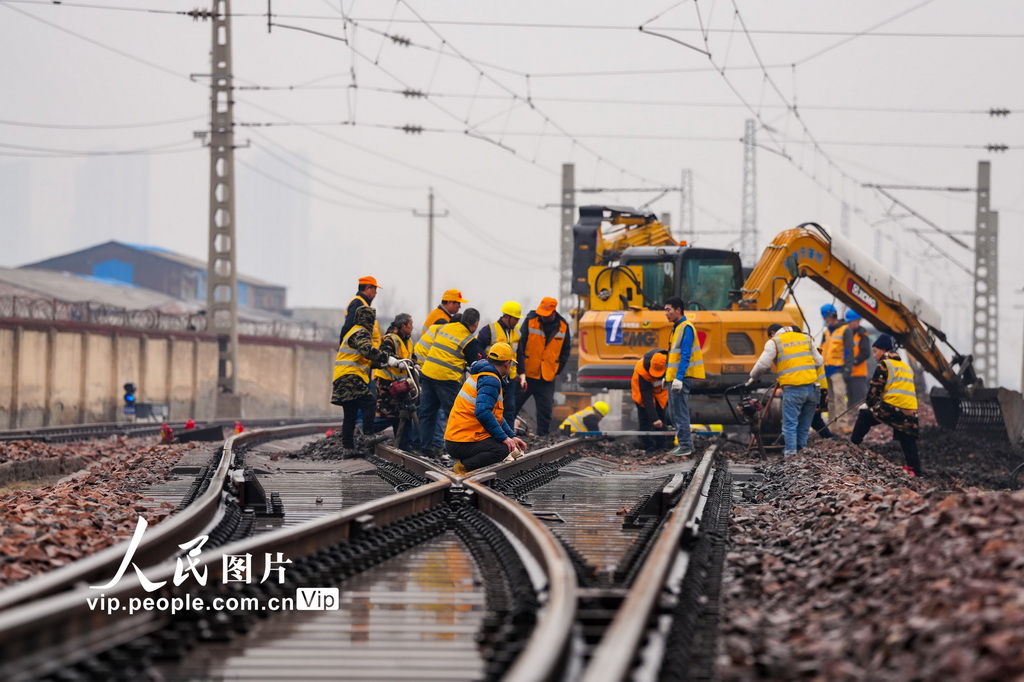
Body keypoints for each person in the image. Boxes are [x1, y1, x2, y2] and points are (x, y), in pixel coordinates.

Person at [445, 342, 528, 472]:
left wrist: (511, 436)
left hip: (460, 437)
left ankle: (465, 468)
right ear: (507, 364)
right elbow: (483, 412)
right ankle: (460, 469)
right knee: (501, 450)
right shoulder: (491, 380)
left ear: (489, 359)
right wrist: (504, 438)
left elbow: (496, 416)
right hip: (461, 440)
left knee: (504, 445)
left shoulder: (485, 376)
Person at [331, 306, 401, 454]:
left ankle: (348, 449)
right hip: (351, 375)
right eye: (373, 319)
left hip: (342, 376)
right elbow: (367, 350)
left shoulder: (353, 332)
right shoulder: (360, 332)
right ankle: (368, 435)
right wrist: (387, 357)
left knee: (349, 415)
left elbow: (365, 359)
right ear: (368, 319)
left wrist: (385, 363)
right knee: (368, 402)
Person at [747, 323, 823, 457]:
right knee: (804, 426)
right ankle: (802, 453)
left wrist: (752, 379)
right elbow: (819, 362)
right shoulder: (805, 338)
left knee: (790, 425)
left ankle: (791, 456)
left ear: (772, 333)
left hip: (793, 389)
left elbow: (763, 365)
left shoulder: (774, 342)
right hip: (812, 389)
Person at [850, 333, 921, 476]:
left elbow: (874, 390)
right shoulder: (906, 367)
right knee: (907, 436)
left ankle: (852, 447)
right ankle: (915, 471)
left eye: (875, 352)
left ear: (883, 350)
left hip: (892, 407)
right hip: (910, 411)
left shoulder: (884, 364)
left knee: (865, 416)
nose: (874, 356)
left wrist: (869, 405)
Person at [417, 307, 482, 457]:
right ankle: (460, 450)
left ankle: (426, 450)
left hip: (427, 373)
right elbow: (474, 366)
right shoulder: (469, 339)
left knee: (427, 413)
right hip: (446, 379)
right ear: (475, 324)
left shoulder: (446, 327)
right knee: (455, 415)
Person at [513, 297, 571, 436]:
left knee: (545, 410)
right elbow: (520, 345)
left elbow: (565, 351)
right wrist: (519, 370)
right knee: (513, 405)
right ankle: (505, 433)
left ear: (553, 312)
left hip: (547, 377)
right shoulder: (530, 321)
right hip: (527, 374)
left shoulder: (563, 326)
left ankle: (542, 437)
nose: (543, 317)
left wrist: (557, 369)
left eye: (546, 315)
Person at [664, 296, 705, 456]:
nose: (666, 314)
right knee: (674, 413)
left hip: (681, 378)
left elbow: (685, 355)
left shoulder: (686, 327)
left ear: (678, 310)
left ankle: (686, 446)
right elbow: (672, 355)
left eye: (668, 310)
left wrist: (679, 377)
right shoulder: (677, 328)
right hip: (673, 378)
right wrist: (667, 376)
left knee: (680, 413)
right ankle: (683, 444)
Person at [374, 313, 418, 450]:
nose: (412, 327)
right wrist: (395, 362)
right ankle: (364, 431)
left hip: (401, 384)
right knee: (388, 415)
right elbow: (383, 355)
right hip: (387, 383)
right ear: (403, 326)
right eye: (410, 324)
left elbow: (412, 356)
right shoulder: (390, 339)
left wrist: (414, 364)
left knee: (403, 413)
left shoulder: (408, 341)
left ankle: (406, 447)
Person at [477, 301, 523, 418]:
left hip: (510, 378)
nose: (517, 322)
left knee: (509, 410)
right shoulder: (489, 330)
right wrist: (487, 365)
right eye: (516, 319)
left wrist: (522, 374)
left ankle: (508, 435)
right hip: (492, 376)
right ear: (507, 316)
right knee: (491, 408)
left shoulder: (517, 332)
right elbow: (477, 348)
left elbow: (520, 353)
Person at [632, 349, 674, 452]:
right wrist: (654, 419)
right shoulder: (641, 371)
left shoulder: (671, 366)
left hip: (660, 393)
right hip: (642, 394)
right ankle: (649, 447)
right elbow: (646, 397)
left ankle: (661, 446)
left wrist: (658, 418)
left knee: (661, 416)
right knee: (645, 419)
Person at [820, 303, 849, 433]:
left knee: (839, 396)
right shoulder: (826, 332)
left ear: (832, 316)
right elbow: (822, 349)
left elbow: (849, 351)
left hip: (838, 369)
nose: (826, 321)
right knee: (830, 400)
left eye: (826, 318)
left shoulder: (844, 330)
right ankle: (833, 426)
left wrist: (847, 369)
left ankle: (843, 424)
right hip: (827, 369)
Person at [340, 276, 383, 348]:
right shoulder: (358, 303)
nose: (376, 293)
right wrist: (342, 344)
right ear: (367, 289)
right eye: (374, 289)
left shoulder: (364, 304)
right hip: (356, 353)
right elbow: (348, 325)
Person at [842, 309, 872, 412]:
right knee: (849, 402)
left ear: (857, 321)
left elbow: (865, 353)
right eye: (848, 322)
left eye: (851, 321)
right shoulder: (846, 334)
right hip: (847, 373)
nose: (850, 324)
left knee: (858, 401)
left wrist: (852, 362)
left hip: (858, 374)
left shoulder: (862, 335)